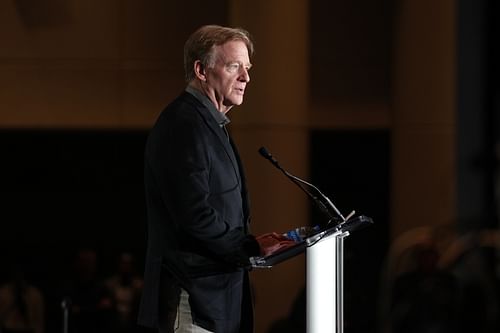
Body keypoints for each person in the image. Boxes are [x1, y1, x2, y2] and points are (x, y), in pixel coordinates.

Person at [137, 25, 262, 333]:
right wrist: (249, 246)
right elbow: (193, 216)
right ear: (201, 70)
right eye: (234, 67)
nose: (246, 78)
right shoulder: (184, 125)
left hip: (216, 303)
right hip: (193, 302)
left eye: (247, 68)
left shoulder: (208, 123)